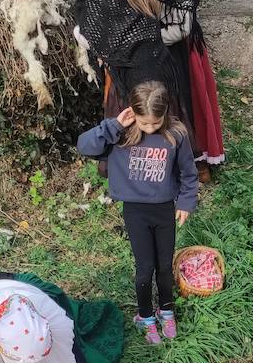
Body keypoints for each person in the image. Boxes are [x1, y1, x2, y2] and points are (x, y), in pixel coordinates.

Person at [79, 0, 226, 172]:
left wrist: (143, 42)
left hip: (174, 48)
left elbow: (181, 27)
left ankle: (184, 161)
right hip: (150, 41)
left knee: (177, 100)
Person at [77, 80, 199, 345]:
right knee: (145, 268)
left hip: (165, 210)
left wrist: (185, 203)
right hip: (136, 212)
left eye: (156, 123)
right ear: (132, 113)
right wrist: (114, 125)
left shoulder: (175, 134)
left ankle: (166, 310)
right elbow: (85, 146)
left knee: (164, 266)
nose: (150, 128)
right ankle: (145, 316)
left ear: (165, 113)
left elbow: (189, 174)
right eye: (145, 123)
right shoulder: (121, 134)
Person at [72, 0, 178, 117]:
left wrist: (76, 31)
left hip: (130, 80)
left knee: (132, 129)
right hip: (159, 67)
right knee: (159, 123)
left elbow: (91, 39)